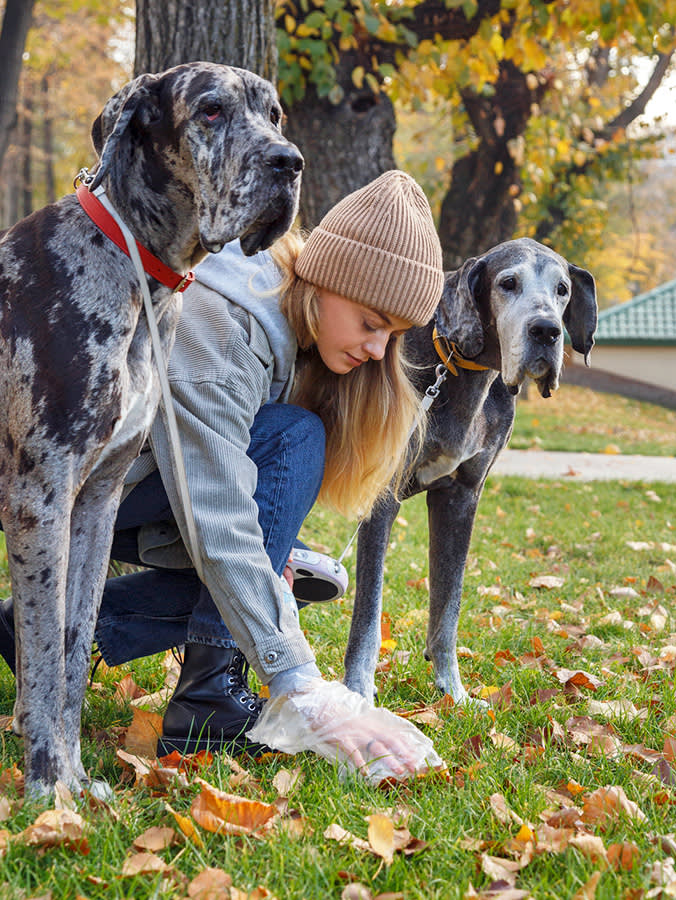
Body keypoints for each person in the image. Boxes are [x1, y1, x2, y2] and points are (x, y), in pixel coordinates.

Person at [0, 170, 446, 783]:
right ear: (326, 279)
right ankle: (207, 701)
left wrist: (273, 558)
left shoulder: (304, 333)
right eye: (371, 322)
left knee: (274, 570)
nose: (377, 350)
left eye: (392, 336)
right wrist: (303, 686)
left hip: (139, 486)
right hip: (91, 484)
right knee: (295, 441)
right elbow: (214, 511)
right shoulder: (228, 320)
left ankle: (36, 629)